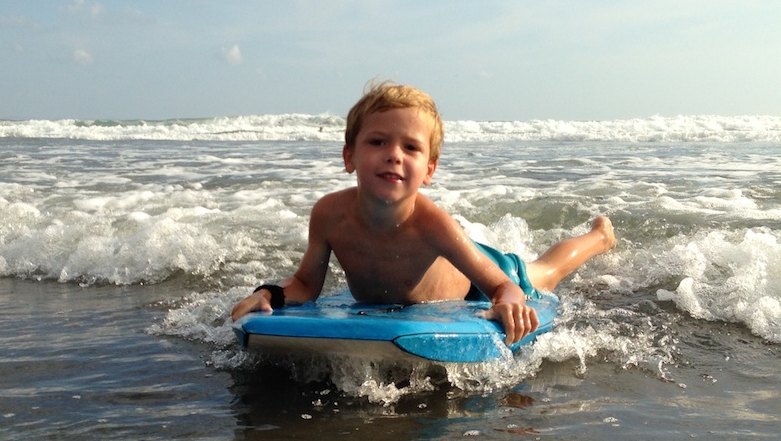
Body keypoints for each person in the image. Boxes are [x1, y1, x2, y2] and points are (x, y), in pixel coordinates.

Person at [231, 82, 616, 345]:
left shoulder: (432, 224)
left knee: (544, 272)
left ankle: (600, 237)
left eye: (411, 148)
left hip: (475, 281)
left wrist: (510, 301)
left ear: (429, 170)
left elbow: (502, 287)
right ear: (349, 156)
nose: (394, 154)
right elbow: (305, 283)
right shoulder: (330, 215)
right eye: (378, 141)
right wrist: (269, 294)